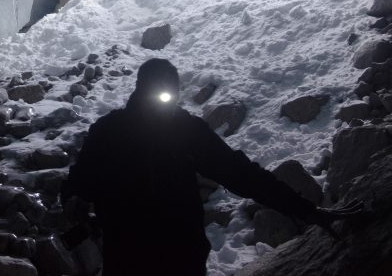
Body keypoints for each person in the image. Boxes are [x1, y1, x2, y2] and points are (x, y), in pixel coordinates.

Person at [62, 58, 362, 276]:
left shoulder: (183, 128)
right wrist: (74, 200)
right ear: (141, 90)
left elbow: (238, 172)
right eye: (160, 91)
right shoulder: (110, 131)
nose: (166, 99)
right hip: (132, 255)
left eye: (172, 92)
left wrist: (306, 210)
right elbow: (80, 180)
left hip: (179, 255)